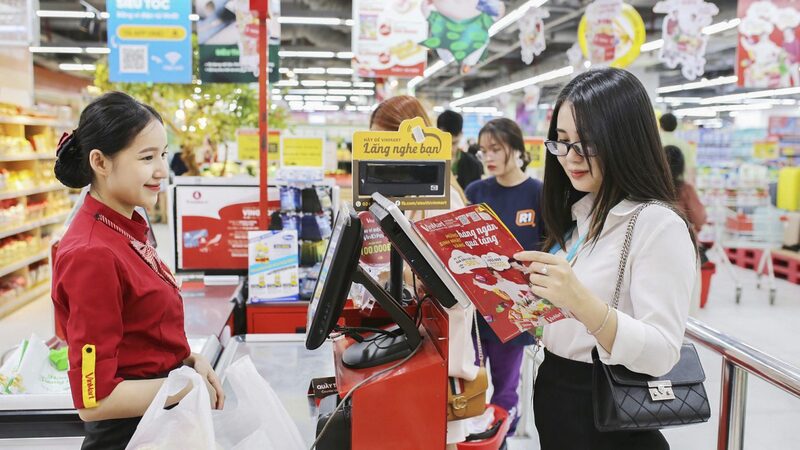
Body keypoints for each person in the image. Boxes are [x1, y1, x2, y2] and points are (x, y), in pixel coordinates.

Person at [514, 68, 697, 450]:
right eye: (562, 142)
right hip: (557, 394)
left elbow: (663, 351)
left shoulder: (656, 224)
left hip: (608, 414)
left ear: (624, 140)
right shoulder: (579, 217)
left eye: (587, 144)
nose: (570, 157)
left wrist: (579, 301)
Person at [51, 92, 224, 450]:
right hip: (130, 438)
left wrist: (190, 360)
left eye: (162, 154)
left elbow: (139, 338)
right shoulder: (91, 253)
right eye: (147, 158)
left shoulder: (124, 228)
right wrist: (187, 385)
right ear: (100, 162)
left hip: (161, 428)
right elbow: (94, 401)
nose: (162, 169)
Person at [370, 96, 475, 448]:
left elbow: (456, 283)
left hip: (442, 352)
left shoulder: (444, 199)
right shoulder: (408, 191)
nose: (378, 155)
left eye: (383, 143)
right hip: (426, 344)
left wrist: (395, 277)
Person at [464, 117, 543, 436]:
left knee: (506, 388)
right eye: (483, 151)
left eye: (496, 149)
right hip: (474, 305)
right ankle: (472, 439)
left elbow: (552, 250)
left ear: (517, 149)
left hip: (515, 310)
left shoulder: (538, 194)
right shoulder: (476, 191)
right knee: (470, 385)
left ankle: (501, 440)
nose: (489, 157)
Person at [665, 145, 707, 233]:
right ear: (681, 166)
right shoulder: (685, 189)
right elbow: (699, 218)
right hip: (682, 239)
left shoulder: (652, 189)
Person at [659, 112, 696, 183]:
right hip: (680, 185)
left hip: (660, 184)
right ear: (676, 126)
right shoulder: (684, 144)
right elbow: (690, 168)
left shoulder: (655, 143)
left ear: (660, 125)